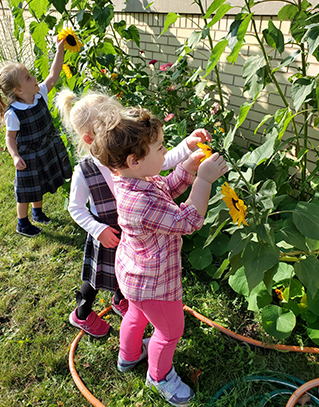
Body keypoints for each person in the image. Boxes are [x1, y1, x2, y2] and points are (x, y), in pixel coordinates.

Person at [55, 89, 213, 339]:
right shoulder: (85, 170)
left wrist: (187, 147)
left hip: (133, 236)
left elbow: (160, 159)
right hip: (107, 233)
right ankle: (83, 312)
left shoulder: (128, 161)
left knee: (128, 274)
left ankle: (123, 301)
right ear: (89, 139)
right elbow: (75, 207)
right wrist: (99, 230)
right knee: (97, 279)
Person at [97, 107, 228, 406]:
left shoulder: (134, 180)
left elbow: (166, 189)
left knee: (136, 314)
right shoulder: (141, 202)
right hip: (156, 283)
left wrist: (190, 167)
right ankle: (159, 376)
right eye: (160, 148)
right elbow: (187, 222)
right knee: (169, 332)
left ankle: (128, 357)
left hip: (134, 275)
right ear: (135, 160)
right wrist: (204, 181)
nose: (167, 151)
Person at [0, 37, 72, 238]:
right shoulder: (14, 113)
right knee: (25, 191)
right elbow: (10, 138)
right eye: (28, 77)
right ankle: (22, 223)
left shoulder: (39, 95)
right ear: (19, 90)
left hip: (45, 148)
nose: (34, 79)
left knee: (39, 183)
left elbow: (53, 74)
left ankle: (37, 213)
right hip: (28, 156)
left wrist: (60, 50)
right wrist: (14, 156)